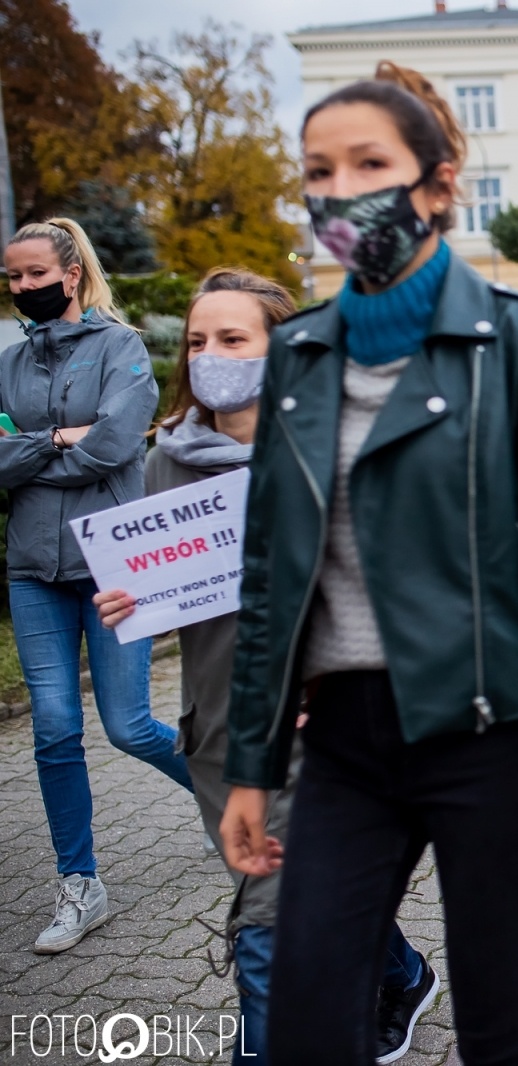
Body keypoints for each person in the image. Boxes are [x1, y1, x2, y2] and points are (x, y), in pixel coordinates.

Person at [214, 62, 518, 1065]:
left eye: (369, 164)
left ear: (437, 185)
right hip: (347, 746)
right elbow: (270, 571)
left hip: (490, 738)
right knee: (308, 1020)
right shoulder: (301, 358)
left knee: (496, 1029)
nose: (339, 192)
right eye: (318, 170)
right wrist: (251, 764)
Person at [91, 269, 435, 1065]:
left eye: (233, 339)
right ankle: (403, 972)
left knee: (266, 930)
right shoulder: (168, 461)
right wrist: (128, 597)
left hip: (325, 731)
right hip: (220, 727)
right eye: (198, 340)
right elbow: (166, 583)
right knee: (303, 890)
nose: (211, 355)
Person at [1, 217, 194, 955]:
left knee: (128, 725)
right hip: (34, 571)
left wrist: (25, 451)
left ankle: (225, 797)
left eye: (34, 276)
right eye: (12, 278)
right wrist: (55, 439)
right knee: (53, 728)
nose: (22, 289)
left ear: (70, 274)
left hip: (114, 565)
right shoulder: (8, 362)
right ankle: (80, 883)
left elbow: (115, 444)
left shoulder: (121, 348)